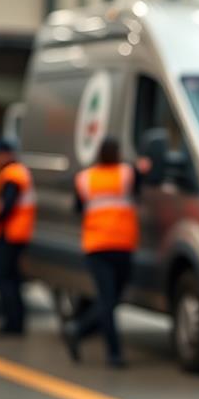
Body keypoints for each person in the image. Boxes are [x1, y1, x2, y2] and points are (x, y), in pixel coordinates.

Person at [63, 138, 146, 368]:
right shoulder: (127, 173)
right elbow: (139, 190)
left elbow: (78, 208)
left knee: (108, 300)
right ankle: (113, 353)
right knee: (110, 300)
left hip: (96, 246)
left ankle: (78, 329)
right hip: (121, 245)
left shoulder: (85, 178)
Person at [0, 139, 35, 336]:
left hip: (11, 233)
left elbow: (7, 206)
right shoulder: (20, 172)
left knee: (4, 278)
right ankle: (17, 322)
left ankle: (11, 323)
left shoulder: (12, 175)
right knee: (13, 279)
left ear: (5, 154)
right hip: (19, 233)